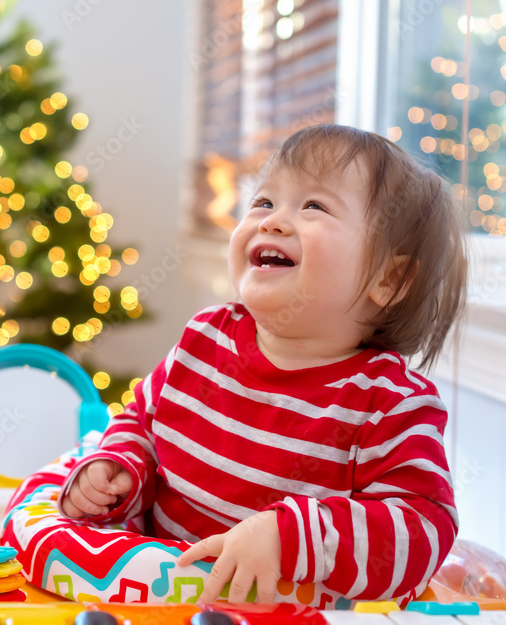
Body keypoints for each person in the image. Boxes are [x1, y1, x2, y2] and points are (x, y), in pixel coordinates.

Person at [57, 124, 467, 604]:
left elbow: (421, 528)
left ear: (390, 279)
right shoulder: (202, 340)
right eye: (263, 202)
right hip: (159, 606)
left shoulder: (389, 404)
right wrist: (120, 469)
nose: (271, 221)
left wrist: (290, 538)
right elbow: (141, 422)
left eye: (314, 206)